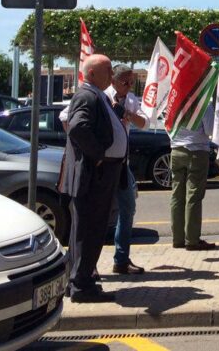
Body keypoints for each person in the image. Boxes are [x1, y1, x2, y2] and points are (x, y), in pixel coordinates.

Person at [61, 54, 127, 303]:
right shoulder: (87, 95)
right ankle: (82, 286)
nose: (112, 75)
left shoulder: (96, 94)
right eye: (107, 70)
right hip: (95, 175)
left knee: (89, 230)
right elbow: (78, 127)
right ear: (91, 74)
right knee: (89, 231)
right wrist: (98, 155)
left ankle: (79, 280)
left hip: (101, 174)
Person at [106, 65, 146, 275]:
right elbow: (65, 118)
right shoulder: (102, 96)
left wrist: (127, 114)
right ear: (113, 81)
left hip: (122, 164)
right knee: (99, 212)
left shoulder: (130, 99)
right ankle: (89, 265)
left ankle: (121, 259)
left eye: (132, 82)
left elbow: (144, 123)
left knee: (128, 208)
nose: (129, 86)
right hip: (103, 165)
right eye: (125, 82)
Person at [170, 94, 216, 251]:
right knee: (194, 196)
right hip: (196, 150)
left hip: (176, 149)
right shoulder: (203, 102)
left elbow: (167, 124)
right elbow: (210, 130)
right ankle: (192, 239)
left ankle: (177, 238)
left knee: (177, 195)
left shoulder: (174, 99)